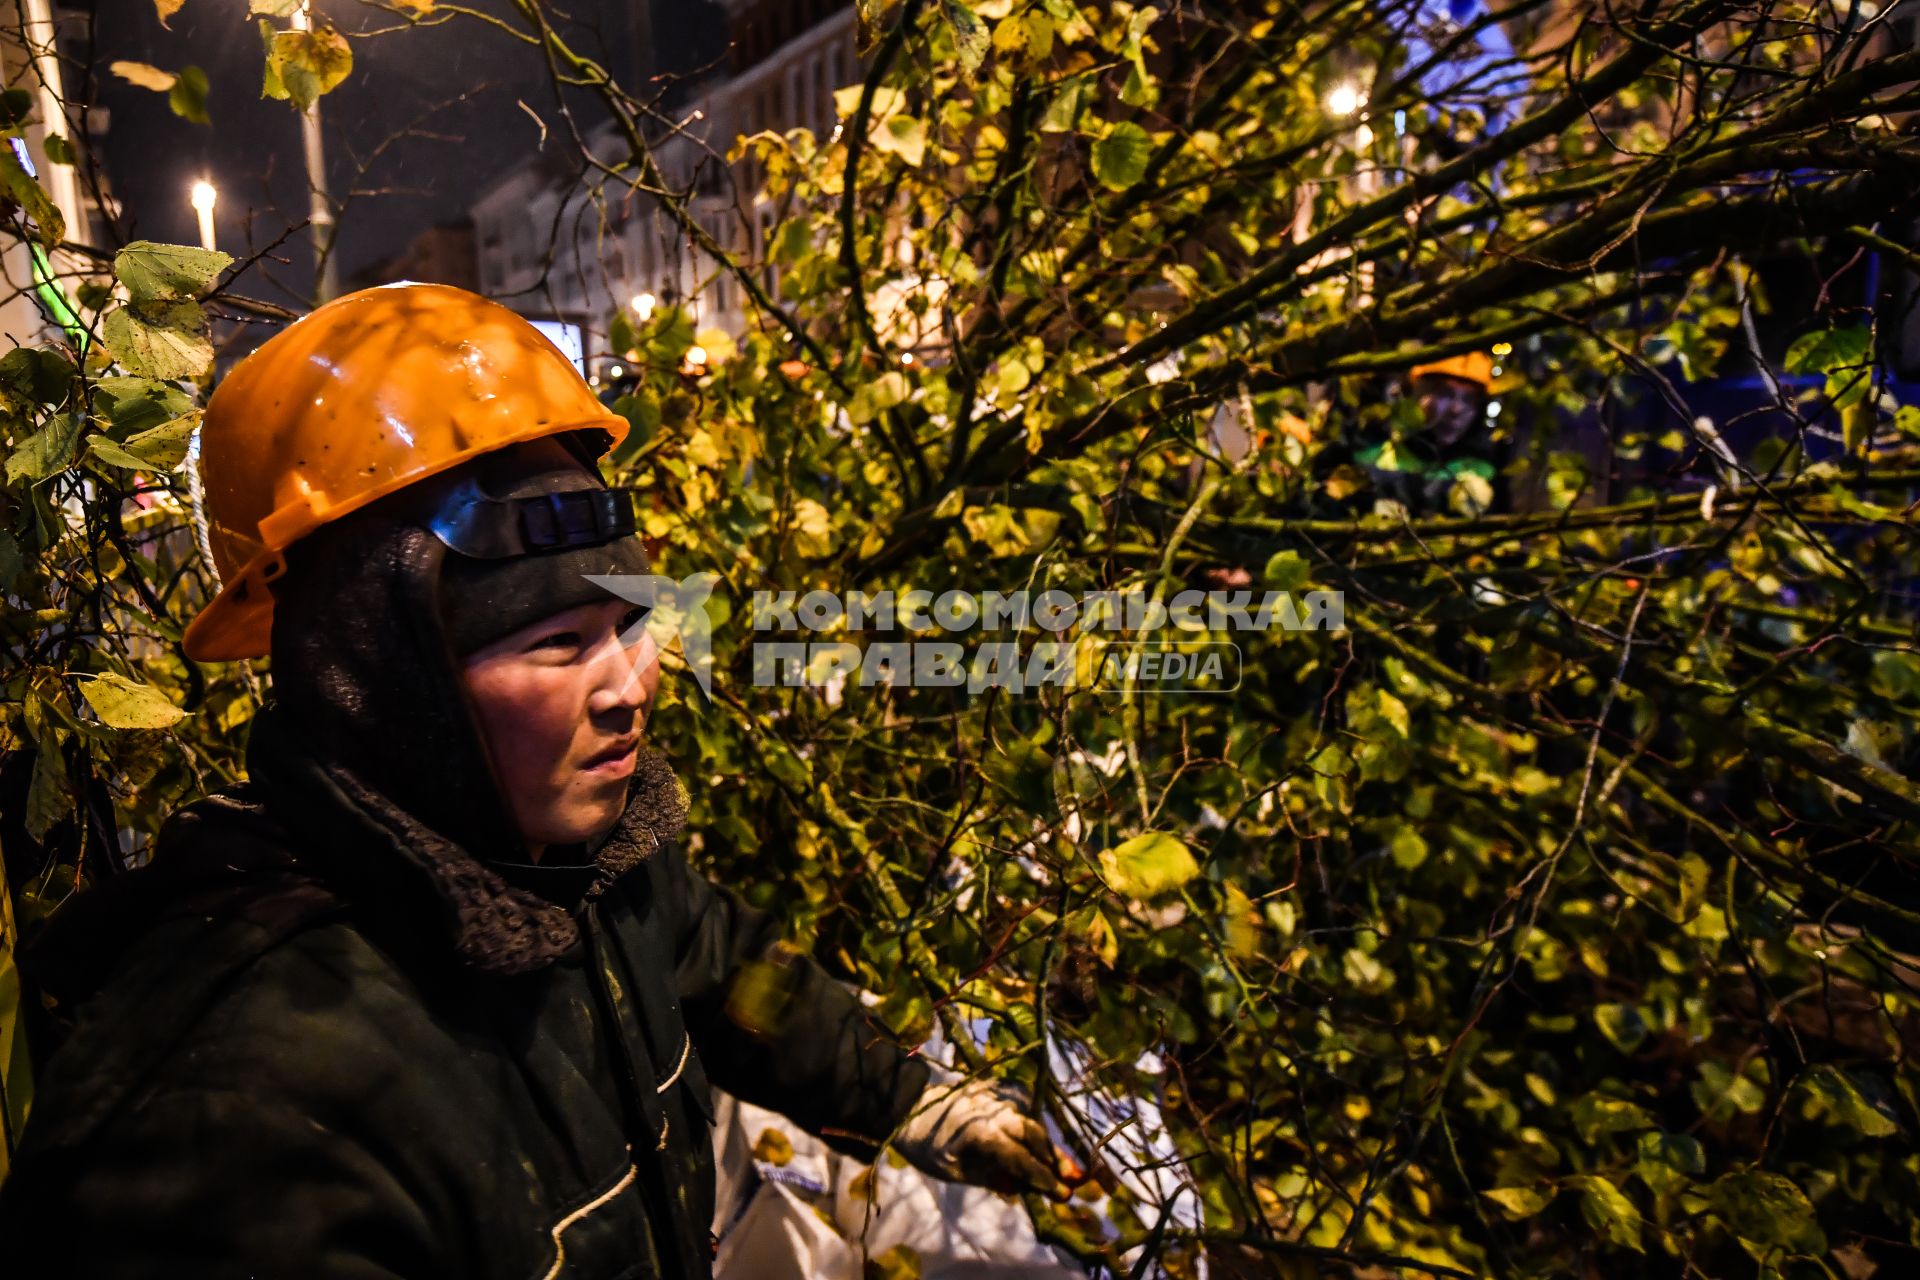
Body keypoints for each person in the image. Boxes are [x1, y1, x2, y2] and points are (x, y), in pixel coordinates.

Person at [0, 283, 1071, 1277]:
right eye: (559, 642)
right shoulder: (233, 1127)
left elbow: (728, 966)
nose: (629, 687)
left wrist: (920, 1101)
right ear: (383, 684)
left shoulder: (582, 868)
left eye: (631, 623)